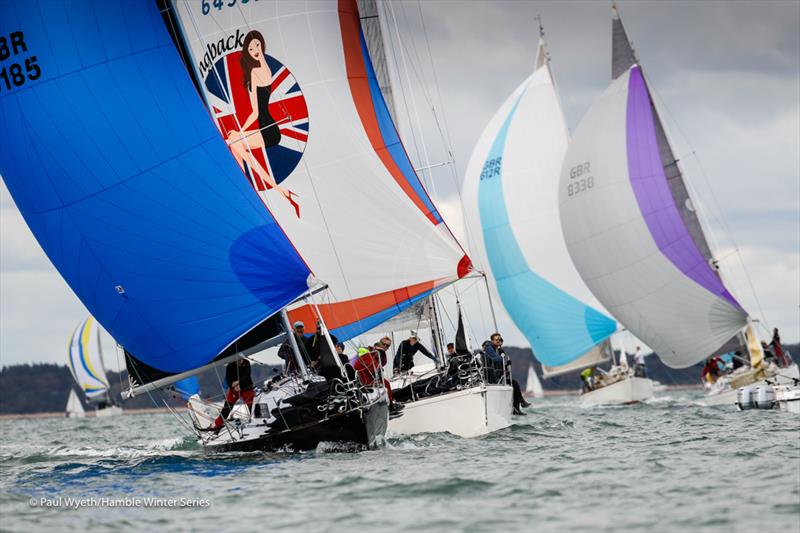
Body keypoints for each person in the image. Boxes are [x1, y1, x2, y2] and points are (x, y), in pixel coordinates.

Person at [225, 30, 299, 217]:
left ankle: (248, 189)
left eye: (257, 45)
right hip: (265, 127)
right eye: (251, 48)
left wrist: (240, 133)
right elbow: (255, 112)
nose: (255, 49)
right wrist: (240, 131)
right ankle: (281, 191)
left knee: (234, 141)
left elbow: (257, 112)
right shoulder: (258, 71)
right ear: (247, 52)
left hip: (270, 130)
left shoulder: (259, 71)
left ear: (262, 45)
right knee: (235, 142)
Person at [482, 333, 528, 415]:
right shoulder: (488, 347)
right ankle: (519, 404)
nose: (498, 341)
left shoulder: (498, 350)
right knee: (513, 383)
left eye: (499, 340)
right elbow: (496, 359)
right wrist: (501, 357)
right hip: (491, 376)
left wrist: (507, 365)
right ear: (492, 340)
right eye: (496, 340)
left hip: (498, 376)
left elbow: (500, 363)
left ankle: (517, 407)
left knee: (514, 383)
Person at [353, 338, 402, 413]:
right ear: (380, 343)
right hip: (368, 380)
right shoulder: (370, 353)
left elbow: (378, 365)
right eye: (384, 344)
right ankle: (390, 406)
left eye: (388, 346)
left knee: (386, 384)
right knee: (386, 384)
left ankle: (390, 405)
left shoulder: (375, 353)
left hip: (369, 378)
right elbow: (374, 367)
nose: (385, 347)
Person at [211, 358, 254, 432]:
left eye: (241, 360)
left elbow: (247, 375)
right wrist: (232, 385)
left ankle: (255, 421)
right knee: (227, 407)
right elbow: (228, 378)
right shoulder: (230, 366)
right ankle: (217, 425)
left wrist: (238, 383)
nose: (239, 362)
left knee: (252, 406)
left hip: (246, 388)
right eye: (238, 360)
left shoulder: (247, 363)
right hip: (234, 389)